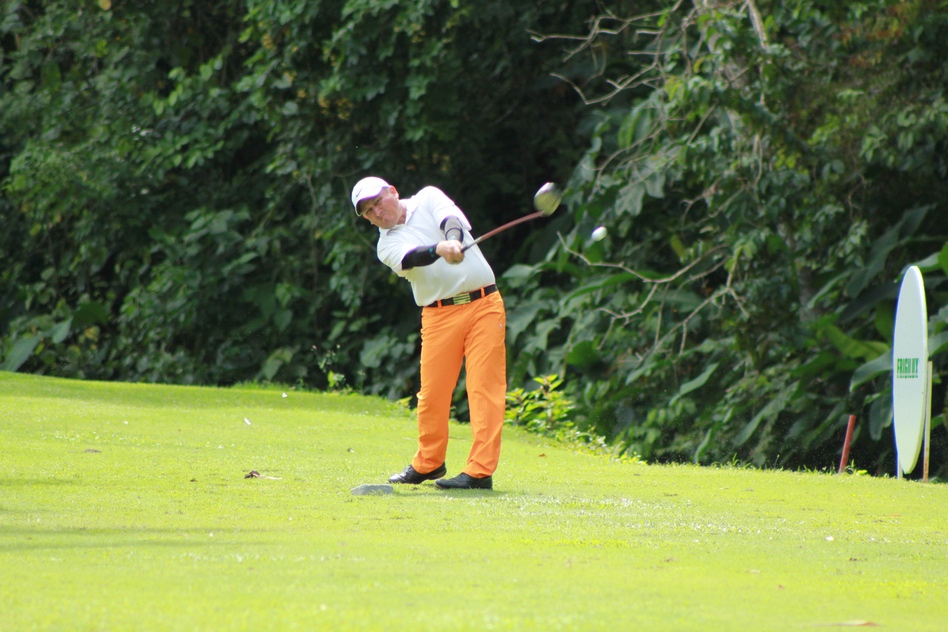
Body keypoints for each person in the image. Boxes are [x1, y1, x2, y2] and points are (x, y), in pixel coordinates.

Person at [350, 176, 506, 490]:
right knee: (432, 395)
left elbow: (451, 221)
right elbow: (413, 257)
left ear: (393, 192)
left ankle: (479, 472)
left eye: (378, 201)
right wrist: (440, 249)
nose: (377, 212)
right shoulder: (386, 245)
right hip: (438, 315)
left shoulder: (428, 197)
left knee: (484, 388)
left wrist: (453, 240)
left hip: (484, 305)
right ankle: (429, 463)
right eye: (368, 211)